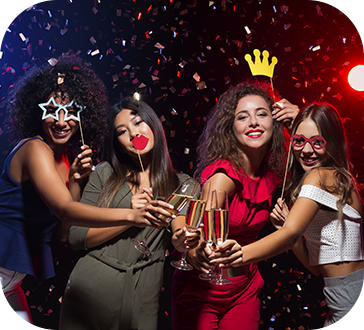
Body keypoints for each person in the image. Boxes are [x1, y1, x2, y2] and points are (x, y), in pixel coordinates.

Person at [0, 58, 172, 329]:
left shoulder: (71, 159)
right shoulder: (34, 149)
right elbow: (65, 210)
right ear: (37, 112)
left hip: (10, 287)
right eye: (51, 111)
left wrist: (77, 181)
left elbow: (65, 233)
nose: (61, 121)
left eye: (69, 112)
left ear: (81, 114)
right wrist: (132, 214)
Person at [213, 102, 364, 329]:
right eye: (299, 141)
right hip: (342, 299)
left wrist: (238, 255)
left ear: (332, 143)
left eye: (318, 142)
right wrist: (286, 226)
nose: (306, 150)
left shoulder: (322, 176)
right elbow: (315, 267)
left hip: (352, 302)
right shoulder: (340, 179)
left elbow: (292, 234)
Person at [59, 97, 200, 330]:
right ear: (118, 142)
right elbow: (76, 238)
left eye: (138, 122)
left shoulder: (186, 185)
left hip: (143, 293)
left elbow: (180, 230)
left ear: (153, 124)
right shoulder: (105, 174)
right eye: (122, 131)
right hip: (90, 289)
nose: (134, 134)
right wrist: (130, 215)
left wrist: (183, 240)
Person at [171, 81, 299, 330]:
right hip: (203, 290)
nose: (253, 122)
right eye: (243, 117)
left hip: (244, 289)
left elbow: (318, 159)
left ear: (275, 122)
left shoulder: (272, 173)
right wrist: (193, 250)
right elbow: (196, 228)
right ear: (231, 129)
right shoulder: (223, 176)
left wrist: (299, 120)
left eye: (262, 114)